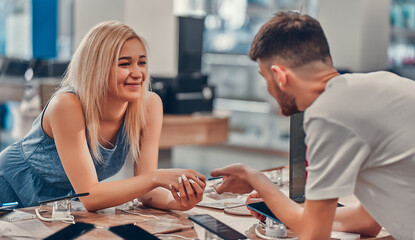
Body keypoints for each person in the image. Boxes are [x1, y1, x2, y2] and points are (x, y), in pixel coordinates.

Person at [210, 11, 415, 240]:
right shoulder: (383, 85)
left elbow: (313, 234)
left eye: (264, 77)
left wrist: (255, 178)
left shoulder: (328, 113)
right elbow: (366, 222)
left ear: (280, 76)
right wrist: (281, 209)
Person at [0, 21, 206, 211]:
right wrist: (156, 177)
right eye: (125, 64)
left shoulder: (149, 106)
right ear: (96, 69)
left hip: (54, 206)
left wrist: (178, 202)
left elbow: (147, 191)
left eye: (141, 63)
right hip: (8, 189)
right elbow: (91, 196)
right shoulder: (67, 105)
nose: (137, 73)